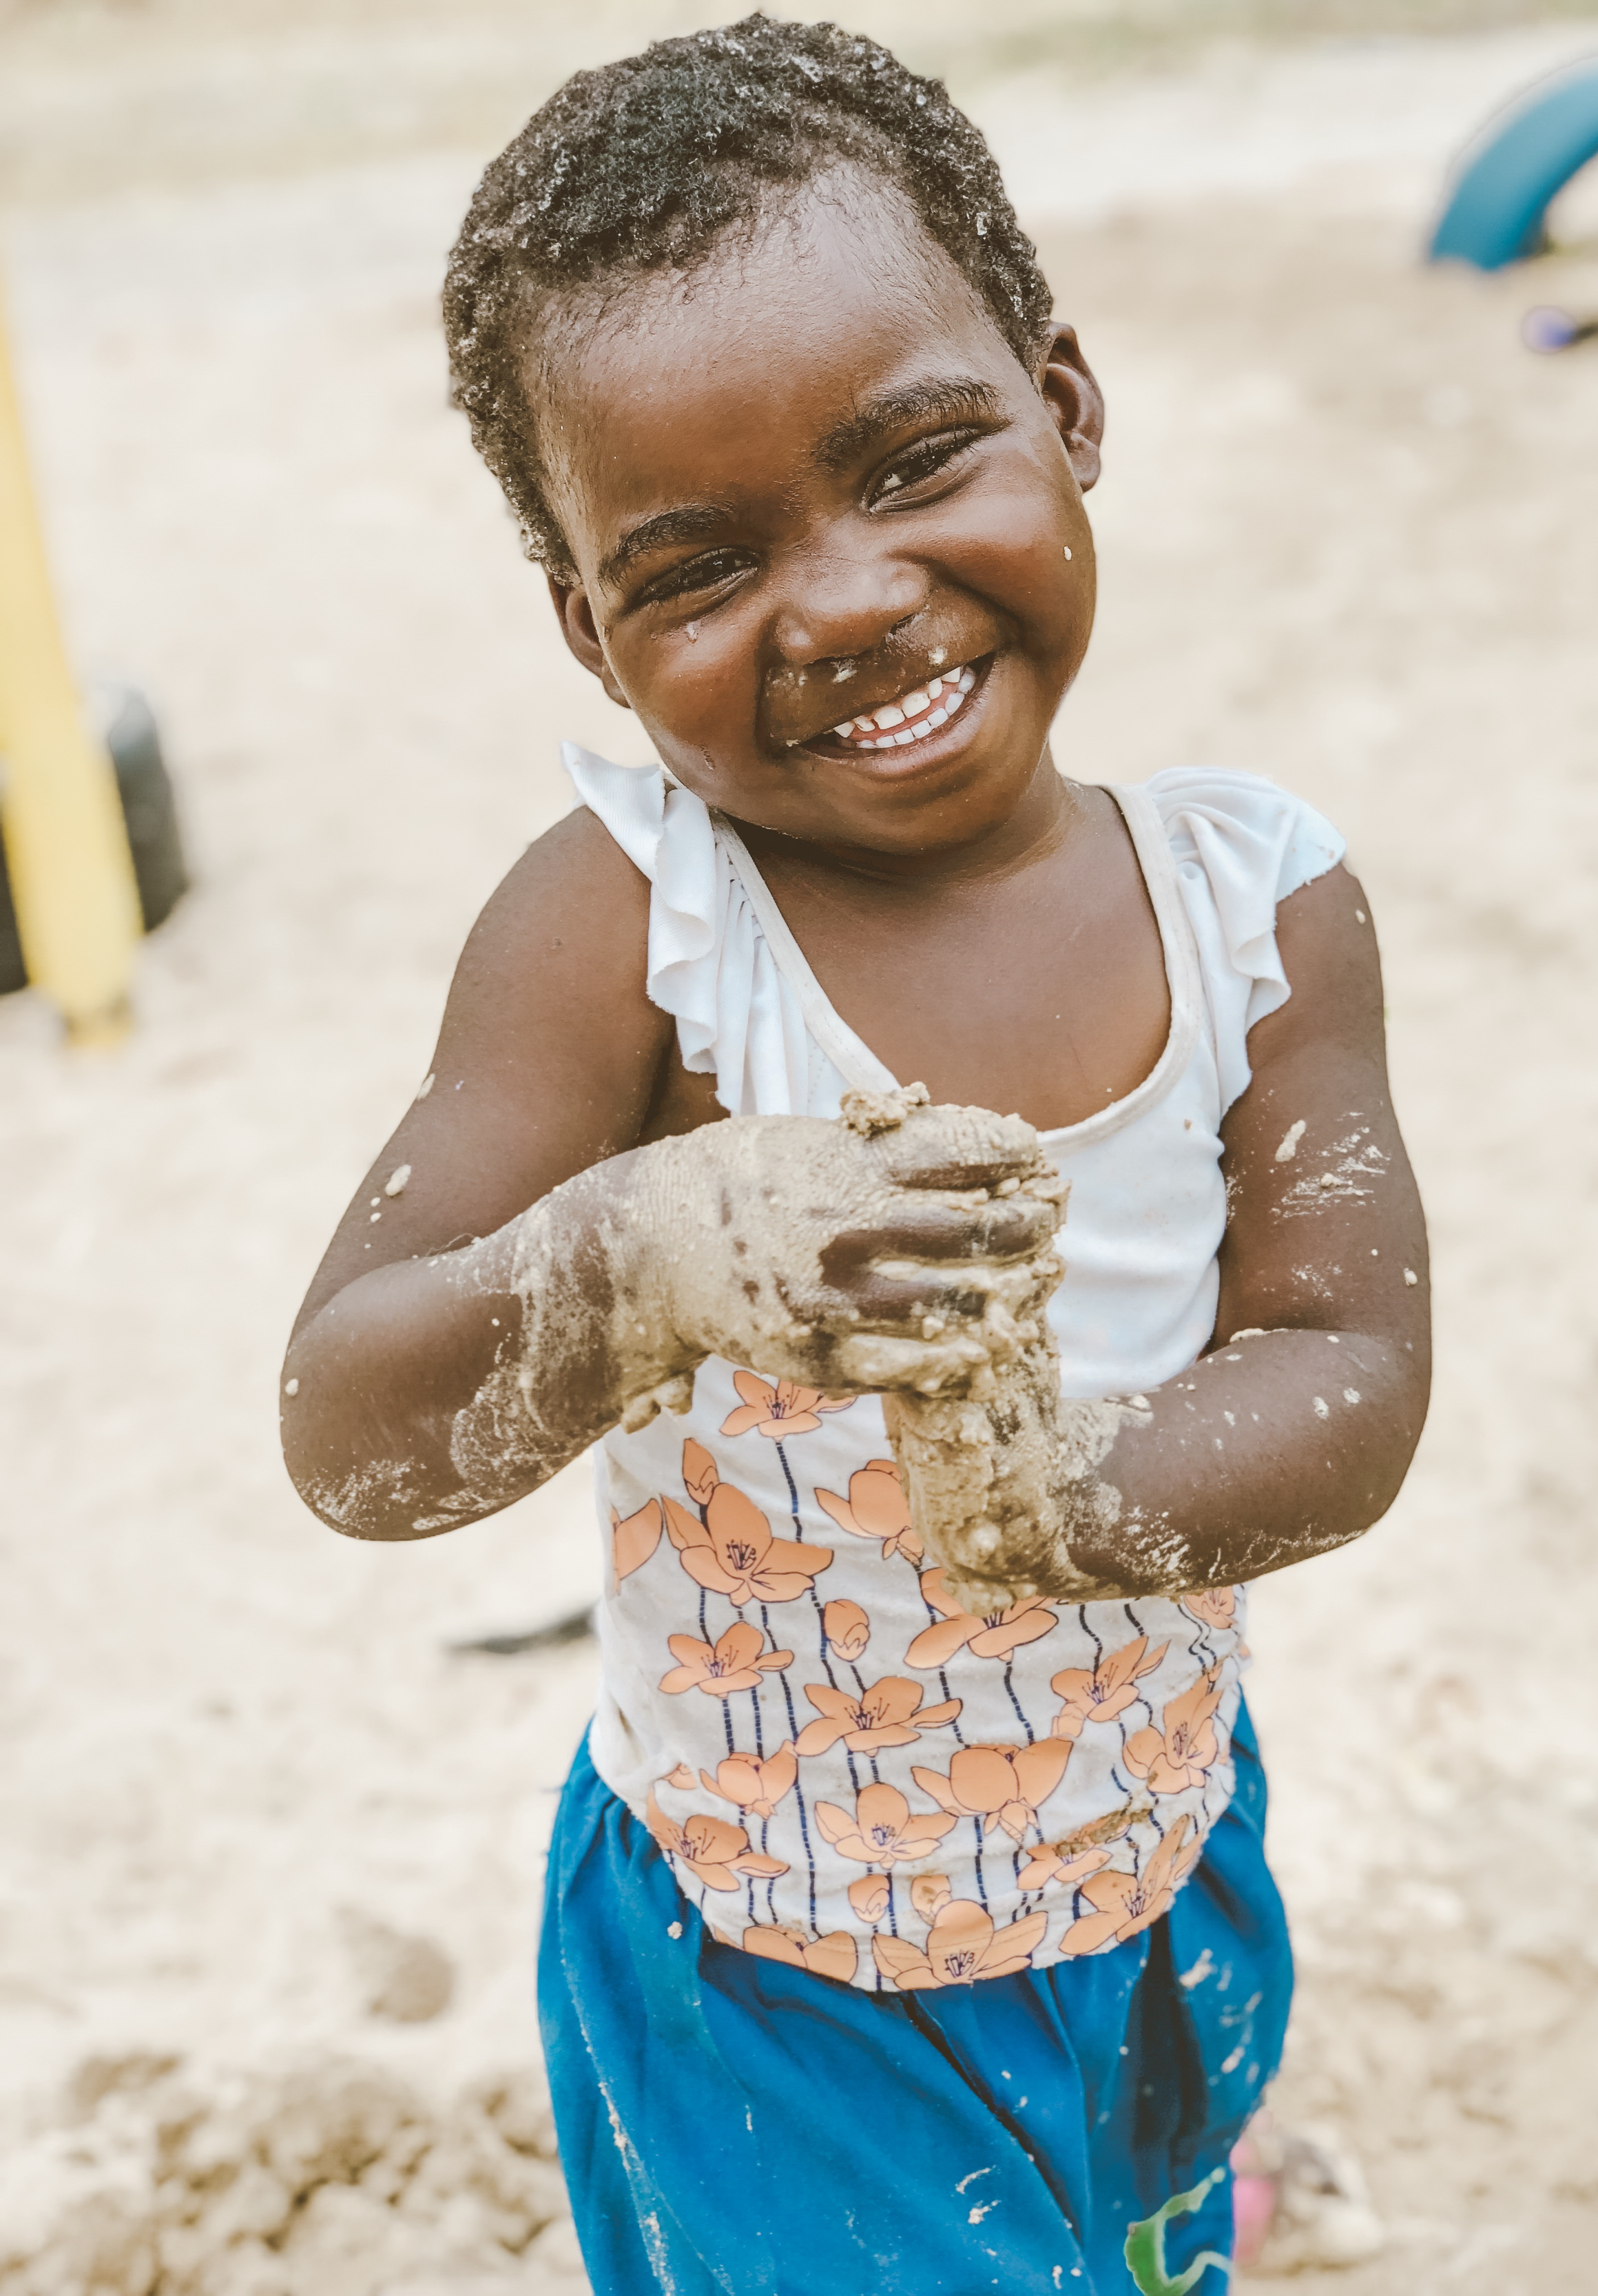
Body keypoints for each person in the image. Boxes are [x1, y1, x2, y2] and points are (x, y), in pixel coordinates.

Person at [280, 19, 1431, 2292]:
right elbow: (353, 1422)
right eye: (697, 567)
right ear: (587, 626)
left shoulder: (1252, 909)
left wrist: (1064, 1494)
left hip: (1153, 1857)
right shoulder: (634, 934)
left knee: (1142, 2233)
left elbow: (1349, 1361)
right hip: (766, 1960)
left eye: (917, 459)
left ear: (1067, 409)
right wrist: (645, 1254)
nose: (843, 599)